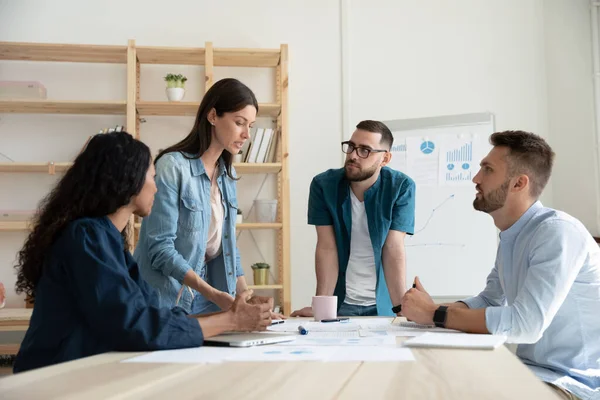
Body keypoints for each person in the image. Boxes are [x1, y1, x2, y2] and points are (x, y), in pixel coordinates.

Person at [13, 131, 272, 373]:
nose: (156, 187)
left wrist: (233, 315)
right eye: (152, 176)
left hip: (80, 372)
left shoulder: (108, 241)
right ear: (129, 181)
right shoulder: (86, 238)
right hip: (55, 377)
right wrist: (231, 322)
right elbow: (133, 325)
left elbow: (153, 311)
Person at [400, 130, 600, 400]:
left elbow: (526, 324)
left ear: (519, 183)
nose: (475, 178)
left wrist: (436, 314)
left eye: (487, 169)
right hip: (529, 372)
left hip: (570, 385)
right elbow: (491, 299)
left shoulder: (557, 232)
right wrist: (432, 310)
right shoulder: (512, 234)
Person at [134, 78, 272, 316]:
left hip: (207, 297)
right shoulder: (172, 167)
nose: (246, 134)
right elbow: (160, 249)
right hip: (165, 299)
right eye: (240, 123)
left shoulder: (228, 176)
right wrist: (212, 293)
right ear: (212, 116)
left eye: (250, 125)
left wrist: (245, 299)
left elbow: (228, 244)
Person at [292, 120, 416, 317]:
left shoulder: (401, 187)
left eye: (365, 150)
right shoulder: (323, 185)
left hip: (383, 306)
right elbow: (326, 247)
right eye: (351, 147)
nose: (353, 155)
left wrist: (402, 309)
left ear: (385, 158)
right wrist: (321, 307)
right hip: (341, 304)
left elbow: (393, 248)